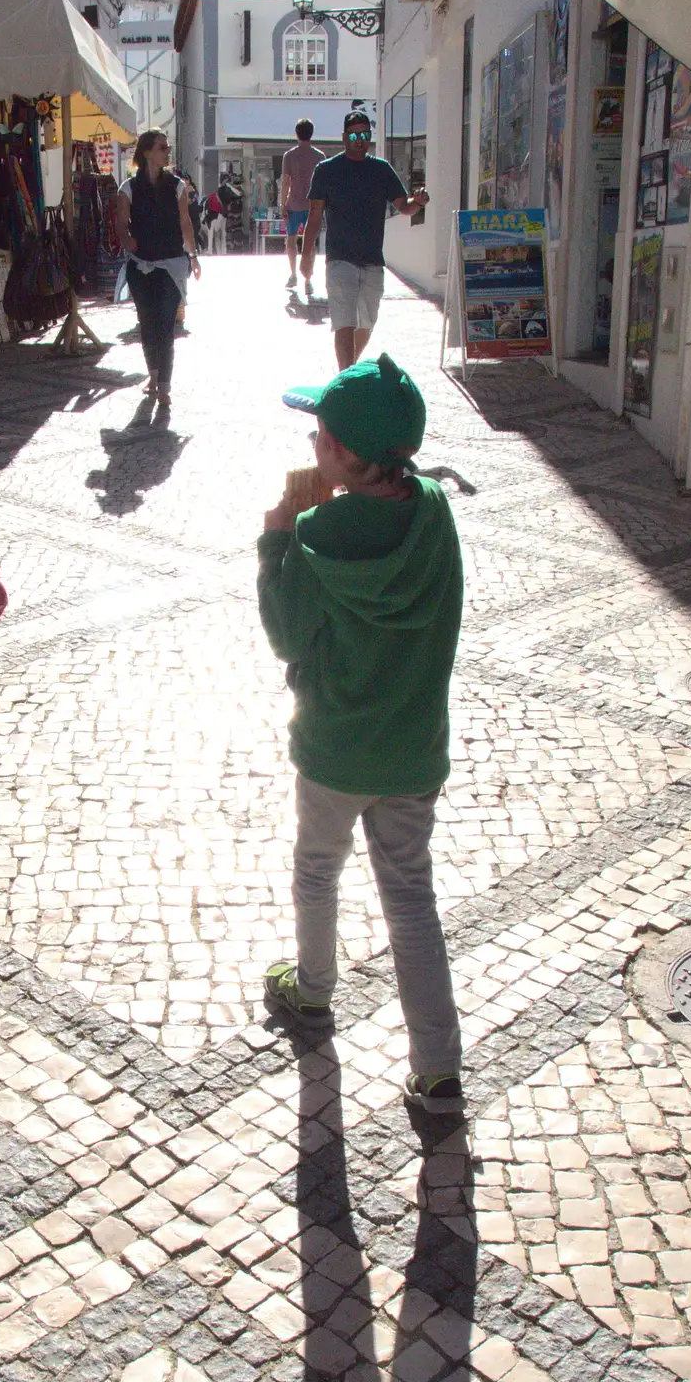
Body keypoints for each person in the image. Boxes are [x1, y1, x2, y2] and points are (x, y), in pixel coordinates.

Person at [256, 355, 466, 1116]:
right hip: (412, 748)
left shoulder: (315, 533)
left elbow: (286, 637)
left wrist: (276, 540)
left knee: (318, 868)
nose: (312, 444)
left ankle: (311, 993)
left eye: (320, 435)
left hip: (334, 749)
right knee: (410, 899)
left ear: (344, 453)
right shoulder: (435, 507)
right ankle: (437, 1069)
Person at [299, 111, 429, 369]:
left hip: (372, 261)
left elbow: (404, 206)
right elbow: (314, 216)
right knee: (344, 322)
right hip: (340, 260)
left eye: (365, 135)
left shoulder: (381, 169)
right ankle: (346, 379)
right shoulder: (326, 170)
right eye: (355, 135)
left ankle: (350, 373)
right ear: (344, 137)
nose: (361, 140)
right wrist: (307, 255)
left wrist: (419, 201)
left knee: (366, 324)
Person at [116, 129, 202, 417]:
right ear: (147, 152)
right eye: (162, 148)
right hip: (140, 265)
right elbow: (120, 223)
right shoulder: (128, 188)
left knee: (166, 325)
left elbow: (185, 223)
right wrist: (126, 239)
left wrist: (193, 255)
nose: (167, 152)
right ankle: (153, 374)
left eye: (167, 147)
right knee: (147, 322)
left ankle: (163, 385)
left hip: (171, 263)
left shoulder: (177, 186)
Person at [280, 118, 324, 295]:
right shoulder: (319, 156)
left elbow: (285, 182)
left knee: (291, 240)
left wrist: (282, 204)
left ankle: (293, 274)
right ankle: (308, 278)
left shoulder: (289, 156)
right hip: (313, 205)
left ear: (296, 133)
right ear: (311, 133)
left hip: (293, 203)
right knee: (310, 242)